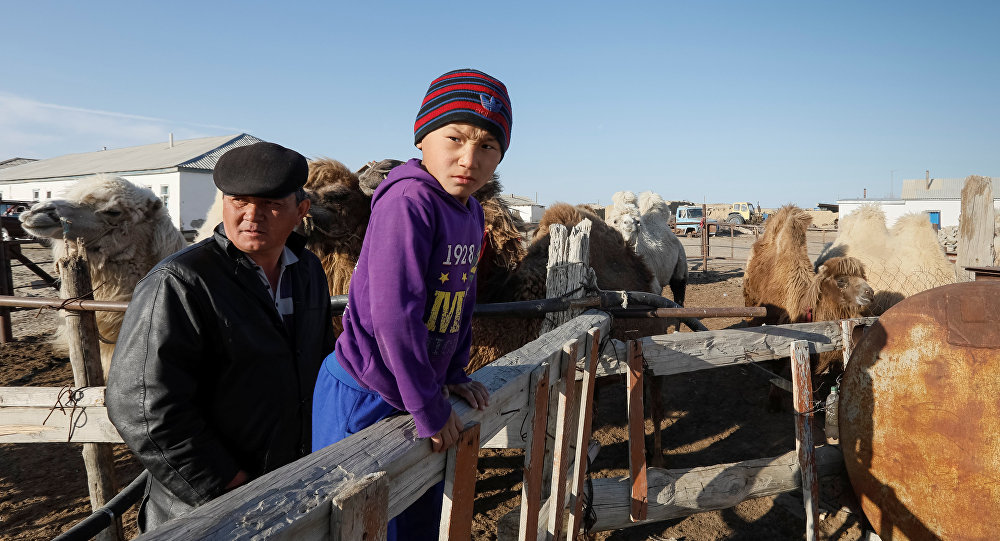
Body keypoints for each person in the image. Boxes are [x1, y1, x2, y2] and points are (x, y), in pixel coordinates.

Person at [311, 68, 511, 539]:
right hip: (367, 391)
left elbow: (460, 297)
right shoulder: (408, 202)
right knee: (360, 524)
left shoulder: (469, 210)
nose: (469, 158)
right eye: (455, 138)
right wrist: (428, 403)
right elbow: (392, 314)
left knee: (414, 517)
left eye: (487, 146)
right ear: (423, 138)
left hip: (417, 387)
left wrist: (454, 372)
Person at [107, 141, 335, 532]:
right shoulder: (180, 283)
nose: (251, 216)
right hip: (207, 509)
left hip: (293, 486)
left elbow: (318, 359)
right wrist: (227, 484)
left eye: (270, 205)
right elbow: (142, 407)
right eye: (238, 201)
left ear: (301, 211)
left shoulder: (308, 270)